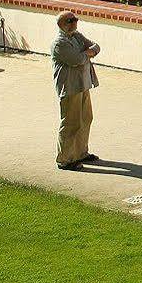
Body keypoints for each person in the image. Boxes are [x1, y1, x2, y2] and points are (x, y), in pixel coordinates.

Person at [51, 11, 100, 169]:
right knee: (71, 123)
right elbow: (76, 60)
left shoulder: (77, 36)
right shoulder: (59, 43)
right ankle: (65, 159)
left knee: (86, 119)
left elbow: (96, 46)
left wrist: (87, 52)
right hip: (70, 87)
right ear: (62, 24)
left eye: (75, 20)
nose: (74, 23)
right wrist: (87, 53)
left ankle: (80, 153)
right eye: (70, 21)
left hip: (83, 84)